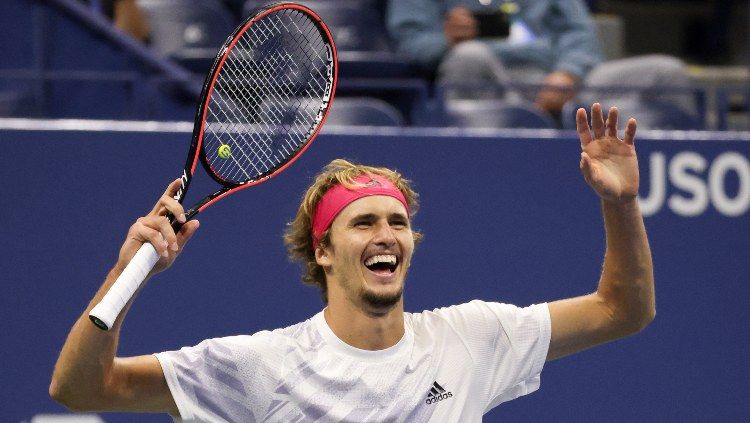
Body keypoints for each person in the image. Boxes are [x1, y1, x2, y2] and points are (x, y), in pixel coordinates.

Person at [50, 103, 655, 421]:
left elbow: (621, 310)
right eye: (363, 223)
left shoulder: (474, 338)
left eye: (397, 222)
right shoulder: (259, 366)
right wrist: (126, 274)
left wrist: (622, 204)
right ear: (323, 252)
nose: (386, 234)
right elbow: (81, 388)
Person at [387, 0, 694, 123]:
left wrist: (567, 73)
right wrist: (446, 40)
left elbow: (581, 34)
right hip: (489, 78)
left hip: (559, 79)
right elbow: (410, 44)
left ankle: (655, 192)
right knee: (468, 57)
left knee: (666, 73)